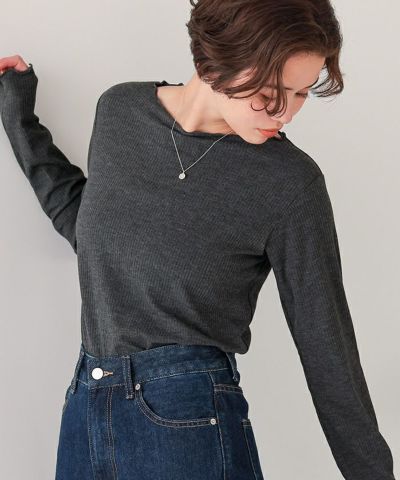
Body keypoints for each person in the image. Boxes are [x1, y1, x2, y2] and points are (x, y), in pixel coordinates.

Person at [0, 1, 396, 479]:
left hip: (189, 421)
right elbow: (92, 233)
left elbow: (326, 345)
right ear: (214, 61)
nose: (286, 112)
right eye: (271, 92)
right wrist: (17, 113)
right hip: (86, 407)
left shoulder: (289, 183)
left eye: (301, 93)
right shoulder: (122, 111)